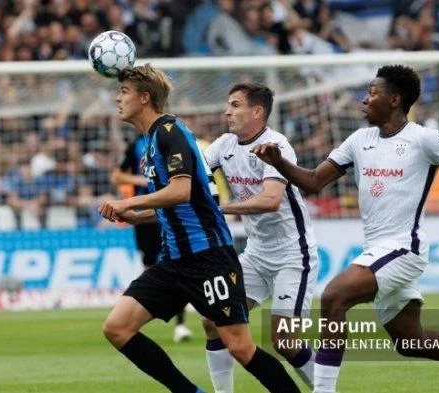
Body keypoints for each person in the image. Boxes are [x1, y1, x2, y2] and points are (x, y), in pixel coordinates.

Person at [252, 64, 439, 393]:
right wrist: (279, 162)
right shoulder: (358, 140)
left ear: (394, 100)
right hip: (378, 251)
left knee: (334, 297)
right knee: (411, 341)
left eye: (372, 93)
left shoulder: (424, 139)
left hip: (404, 249)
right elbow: (313, 181)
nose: (364, 100)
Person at [99, 64, 301, 393]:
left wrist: (129, 204)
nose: (117, 98)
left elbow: (182, 191)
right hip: (174, 260)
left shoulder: (170, 132)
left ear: (145, 97)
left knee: (239, 347)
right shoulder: (150, 141)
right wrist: (144, 215)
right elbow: (187, 201)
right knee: (117, 327)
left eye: (124, 92)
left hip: (208, 257)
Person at [202, 83, 318, 392]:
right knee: (214, 322)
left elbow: (271, 200)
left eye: (236, 105)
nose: (228, 110)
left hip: (293, 255)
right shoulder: (223, 145)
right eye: (229, 104)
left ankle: (324, 389)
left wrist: (220, 208)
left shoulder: (275, 145)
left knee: (284, 341)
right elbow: (194, 174)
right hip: (255, 254)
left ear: (257, 111)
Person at [112, 134, 193, 343]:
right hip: (144, 213)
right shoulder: (136, 144)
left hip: (170, 209)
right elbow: (117, 176)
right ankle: (146, 313)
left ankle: (181, 323)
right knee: (149, 264)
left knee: (178, 262)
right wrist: (141, 179)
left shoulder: (172, 139)